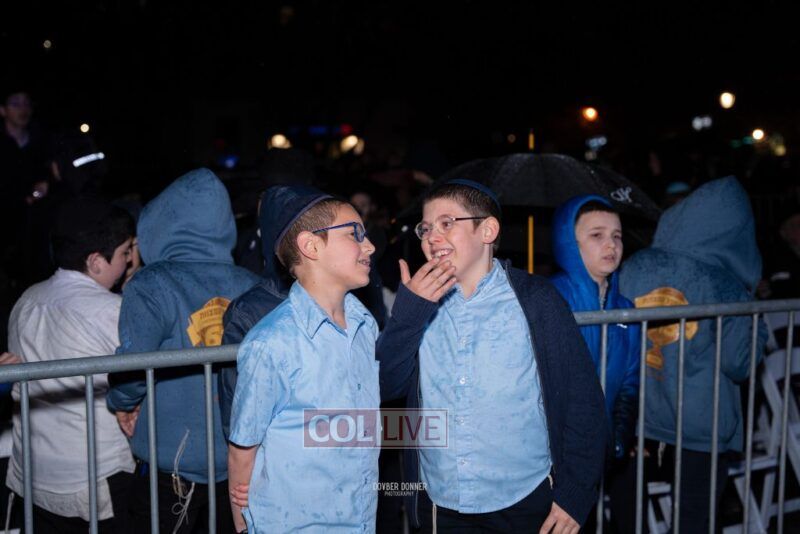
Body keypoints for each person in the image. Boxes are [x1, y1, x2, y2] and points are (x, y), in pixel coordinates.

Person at [377, 179, 607, 532]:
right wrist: (407, 316)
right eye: (426, 228)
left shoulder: (536, 300)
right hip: (444, 502)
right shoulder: (418, 305)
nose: (431, 237)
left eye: (446, 223)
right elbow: (386, 385)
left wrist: (575, 493)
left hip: (526, 498)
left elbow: (583, 401)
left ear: (487, 230)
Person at [106, 168, 260, 533]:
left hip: (172, 465)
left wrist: (122, 403)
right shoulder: (253, 284)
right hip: (242, 463)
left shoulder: (152, 283)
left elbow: (132, 366)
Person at [620, 176, 767, 533]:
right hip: (701, 425)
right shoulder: (725, 283)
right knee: (693, 520)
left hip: (638, 418)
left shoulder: (637, 264)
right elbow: (739, 363)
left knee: (628, 513)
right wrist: (757, 324)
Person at [227, 190, 380, 532]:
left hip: (358, 519)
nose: (369, 246)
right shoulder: (272, 342)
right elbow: (243, 448)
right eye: (354, 234)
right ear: (311, 246)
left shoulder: (365, 326)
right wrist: (243, 525)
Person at [5, 199, 136, 533]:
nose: (130, 261)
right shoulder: (112, 310)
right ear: (95, 261)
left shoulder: (26, 300)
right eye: (125, 252)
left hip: (34, 475)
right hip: (95, 477)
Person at [549, 195, 640, 531]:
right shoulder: (550, 298)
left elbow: (630, 378)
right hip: (556, 450)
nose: (611, 244)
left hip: (599, 446)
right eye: (597, 235)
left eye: (617, 236)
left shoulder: (625, 308)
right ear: (569, 244)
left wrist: (620, 428)